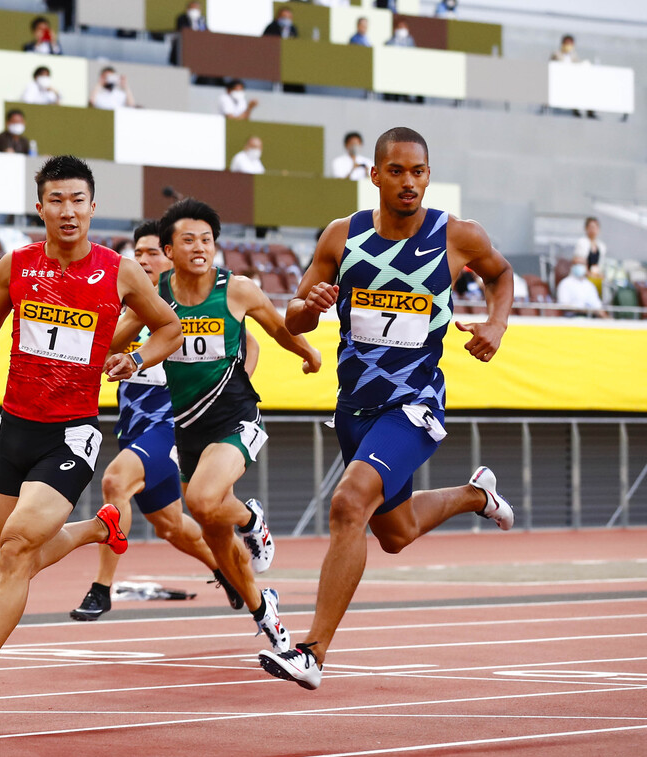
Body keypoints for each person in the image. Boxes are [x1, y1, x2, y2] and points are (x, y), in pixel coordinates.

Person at [0, 155, 183, 710]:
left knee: (16, 551)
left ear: (91, 207)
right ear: (40, 208)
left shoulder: (119, 272)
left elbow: (170, 327)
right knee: (11, 560)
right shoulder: (15, 266)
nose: (67, 211)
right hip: (14, 429)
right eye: (56, 200)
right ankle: (98, 528)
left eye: (77, 200)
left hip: (71, 433)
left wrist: (134, 359)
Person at [259, 126, 516, 691]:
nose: (408, 182)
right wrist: (313, 304)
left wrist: (496, 324)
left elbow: (500, 274)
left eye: (418, 171)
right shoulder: (340, 237)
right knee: (394, 532)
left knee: (350, 503)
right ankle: (478, 494)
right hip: (355, 407)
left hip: (415, 402)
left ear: (429, 175)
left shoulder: (457, 236)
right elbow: (294, 316)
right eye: (396, 171)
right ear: (373, 175)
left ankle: (312, 653)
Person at [70, 219, 264, 622]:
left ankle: (101, 589)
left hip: (172, 425)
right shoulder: (129, 306)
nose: (141, 259)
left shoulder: (189, 302)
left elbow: (250, 342)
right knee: (171, 526)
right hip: (134, 429)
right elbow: (100, 351)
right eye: (136, 252)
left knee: (115, 481)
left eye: (151, 252)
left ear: (172, 255)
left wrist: (229, 391)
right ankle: (225, 570)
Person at [148, 199, 319, 657]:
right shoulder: (157, 294)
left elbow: (279, 328)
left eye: (207, 239)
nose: (200, 247)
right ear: (169, 249)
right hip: (187, 425)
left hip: (235, 417)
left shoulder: (237, 289)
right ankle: (266, 612)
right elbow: (123, 331)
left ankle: (250, 517)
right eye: (188, 239)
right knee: (211, 529)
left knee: (202, 500)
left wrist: (308, 353)